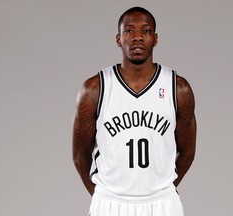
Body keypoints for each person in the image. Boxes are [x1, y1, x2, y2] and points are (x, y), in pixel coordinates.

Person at [72, 6, 196, 216]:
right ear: (118, 39)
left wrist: (163, 189)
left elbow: (188, 153)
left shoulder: (178, 88)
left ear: (155, 39)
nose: (137, 37)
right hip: (110, 202)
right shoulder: (94, 89)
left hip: (161, 203)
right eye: (129, 30)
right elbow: (79, 155)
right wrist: (102, 194)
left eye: (145, 31)